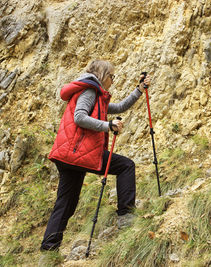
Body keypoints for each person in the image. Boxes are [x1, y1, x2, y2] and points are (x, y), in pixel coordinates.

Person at [40, 60, 150, 251]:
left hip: (68, 156)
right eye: (111, 77)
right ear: (102, 75)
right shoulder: (90, 91)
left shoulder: (96, 95)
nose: (112, 81)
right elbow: (80, 117)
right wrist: (108, 125)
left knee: (66, 202)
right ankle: (126, 216)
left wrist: (139, 89)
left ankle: (48, 251)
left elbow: (121, 107)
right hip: (80, 153)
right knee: (126, 166)